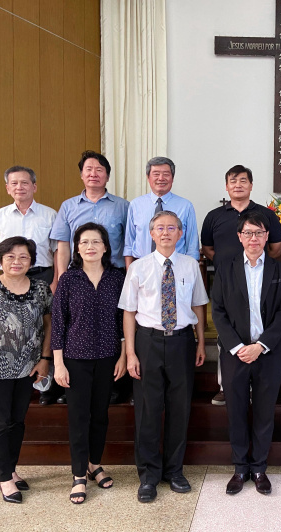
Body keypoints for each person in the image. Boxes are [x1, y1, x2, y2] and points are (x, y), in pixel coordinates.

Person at [118, 210, 208, 503]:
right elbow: (129, 312)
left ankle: (174, 471)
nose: (166, 232)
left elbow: (198, 306)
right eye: (160, 228)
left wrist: (201, 343)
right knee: (148, 409)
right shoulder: (138, 267)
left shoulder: (191, 265)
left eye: (172, 228)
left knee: (180, 408)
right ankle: (148, 476)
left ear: (180, 234)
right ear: (151, 234)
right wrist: (130, 353)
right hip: (148, 342)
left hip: (182, 341)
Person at [0, 236, 52, 503]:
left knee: (17, 422)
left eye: (23, 257)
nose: (17, 261)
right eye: (10, 257)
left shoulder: (41, 289)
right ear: (0, 260)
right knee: (0, 423)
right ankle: (4, 478)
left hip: (28, 367)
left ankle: (11, 469)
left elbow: (49, 326)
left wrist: (45, 359)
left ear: (31, 261)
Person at [211, 212, 281, 496]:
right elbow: (218, 311)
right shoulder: (225, 267)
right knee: (236, 411)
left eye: (258, 233)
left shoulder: (280, 270)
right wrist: (237, 346)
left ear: (267, 236)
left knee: (264, 411)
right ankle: (240, 468)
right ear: (239, 236)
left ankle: (259, 468)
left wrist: (261, 346)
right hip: (235, 352)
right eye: (248, 233)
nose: (253, 238)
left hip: (267, 352)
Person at [51, 223, 127, 503]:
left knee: (101, 414)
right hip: (75, 358)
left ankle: (94, 463)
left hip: (108, 356)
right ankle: (78, 475)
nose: (90, 246)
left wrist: (123, 355)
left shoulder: (117, 278)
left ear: (106, 247)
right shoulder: (69, 279)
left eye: (96, 241)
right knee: (79, 416)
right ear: (77, 248)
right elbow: (58, 322)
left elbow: (124, 319)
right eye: (84, 242)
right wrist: (58, 363)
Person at [202, 165, 281, 406]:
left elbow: (276, 248)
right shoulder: (214, 216)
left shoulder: (265, 214)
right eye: (233, 181)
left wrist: (258, 262)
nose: (238, 185)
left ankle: (257, 386)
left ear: (251, 185)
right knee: (227, 334)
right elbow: (207, 248)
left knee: (260, 328)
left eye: (243, 180)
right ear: (226, 186)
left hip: (259, 279)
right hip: (228, 284)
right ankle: (225, 387)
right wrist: (226, 267)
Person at [51, 150, 129, 274]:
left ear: (108, 176)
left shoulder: (123, 206)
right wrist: (62, 277)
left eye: (99, 170)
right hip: (77, 273)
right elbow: (63, 246)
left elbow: (129, 244)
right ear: (82, 175)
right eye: (88, 169)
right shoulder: (68, 206)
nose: (93, 174)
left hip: (113, 273)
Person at [0, 166, 59, 289]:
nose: (19, 187)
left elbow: (58, 251)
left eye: (24, 183)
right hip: (8, 279)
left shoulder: (50, 215)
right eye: (14, 183)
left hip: (42, 277)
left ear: (34, 187)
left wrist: (56, 282)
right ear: (8, 188)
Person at [124, 156, 199, 267]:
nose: (161, 178)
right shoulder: (135, 205)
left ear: (172, 178)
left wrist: (189, 270)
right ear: (148, 177)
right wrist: (129, 271)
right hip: (142, 266)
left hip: (176, 266)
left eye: (166, 174)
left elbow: (192, 246)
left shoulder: (185, 206)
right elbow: (129, 244)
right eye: (156, 174)